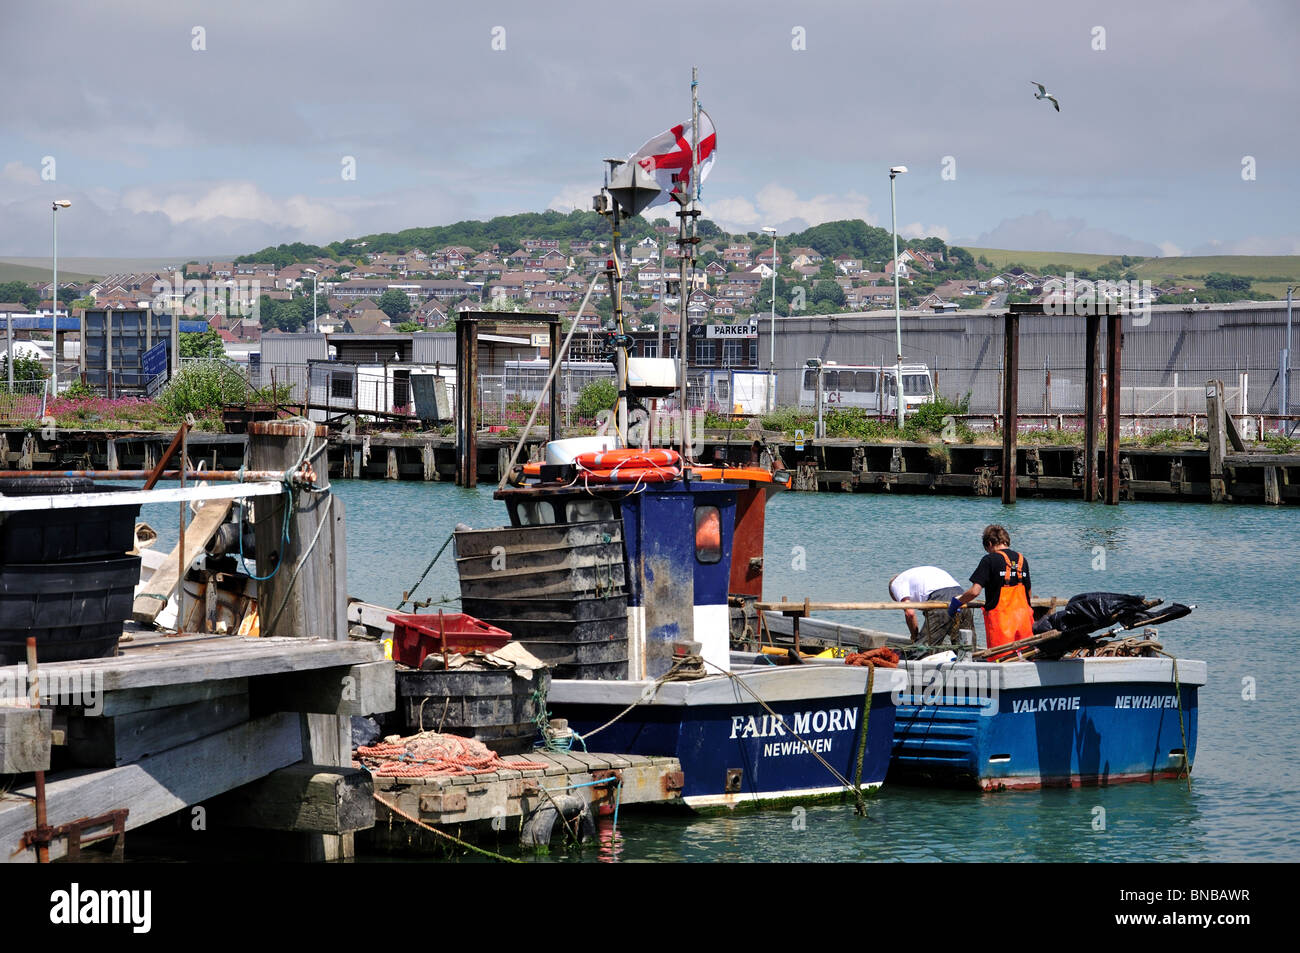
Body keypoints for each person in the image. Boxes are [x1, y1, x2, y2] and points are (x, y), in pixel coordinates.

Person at [948, 524, 1034, 651]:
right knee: (1025, 655)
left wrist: (957, 602)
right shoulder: (1022, 560)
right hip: (1024, 622)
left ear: (989, 543)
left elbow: (975, 591)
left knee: (1000, 658)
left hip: (1001, 625)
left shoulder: (989, 560)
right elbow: (1028, 593)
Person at [889, 566, 972, 645]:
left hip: (941, 597)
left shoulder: (896, 583)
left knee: (923, 649)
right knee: (965, 645)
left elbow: (910, 613)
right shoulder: (914, 576)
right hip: (961, 595)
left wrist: (914, 637)